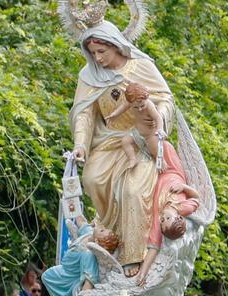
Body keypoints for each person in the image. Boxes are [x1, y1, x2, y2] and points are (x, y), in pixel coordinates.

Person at [68, 20, 176, 275]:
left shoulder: (141, 66)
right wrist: (80, 144)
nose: (98, 58)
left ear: (116, 45)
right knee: (92, 179)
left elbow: (165, 98)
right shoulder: (89, 76)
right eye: (93, 53)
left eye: (102, 52)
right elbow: (84, 113)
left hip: (140, 139)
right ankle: (108, 237)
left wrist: (156, 119)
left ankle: (133, 255)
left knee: (133, 189)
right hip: (107, 141)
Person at [135, 140, 201, 286]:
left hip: (156, 176)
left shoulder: (158, 218)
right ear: (178, 217)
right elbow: (197, 198)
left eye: (163, 222)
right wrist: (183, 187)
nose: (163, 218)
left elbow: (154, 247)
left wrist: (143, 273)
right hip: (172, 169)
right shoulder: (184, 207)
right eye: (167, 218)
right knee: (163, 145)